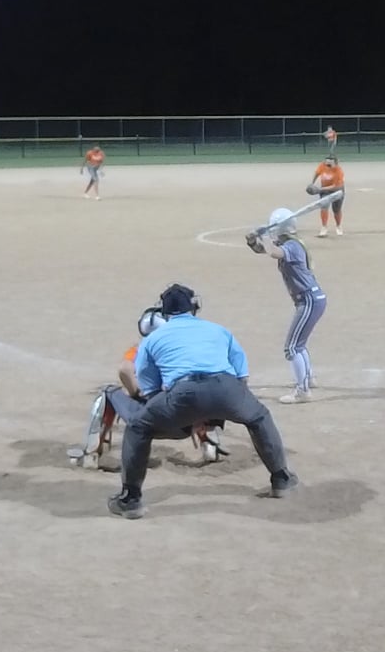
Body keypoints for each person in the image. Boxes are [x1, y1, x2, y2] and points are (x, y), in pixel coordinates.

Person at [108, 284, 299, 519]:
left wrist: (187, 415)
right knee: (258, 417)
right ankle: (281, 478)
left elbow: (151, 391)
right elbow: (242, 377)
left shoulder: (152, 339)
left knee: (138, 427)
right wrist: (223, 408)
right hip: (226, 387)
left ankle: (130, 499)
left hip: (183, 392)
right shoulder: (218, 330)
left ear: (164, 312)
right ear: (194, 307)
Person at [75, 305, 228, 468]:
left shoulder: (139, 349)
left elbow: (124, 370)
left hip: (147, 421)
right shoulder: (184, 351)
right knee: (205, 388)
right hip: (184, 425)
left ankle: (91, 453)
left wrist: (135, 391)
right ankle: (209, 444)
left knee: (108, 393)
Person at [245, 208, 328, 403]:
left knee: (292, 348)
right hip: (309, 299)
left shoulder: (292, 246)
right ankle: (307, 378)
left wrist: (264, 235)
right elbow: (264, 250)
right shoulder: (289, 243)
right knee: (298, 344)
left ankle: (303, 391)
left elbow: (274, 253)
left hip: (309, 300)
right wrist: (252, 241)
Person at [309, 155, 347, 236]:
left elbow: (335, 186)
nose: (327, 166)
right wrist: (312, 183)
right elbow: (316, 173)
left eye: (330, 164)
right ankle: (324, 227)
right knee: (324, 206)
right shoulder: (323, 165)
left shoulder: (339, 171)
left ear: (335, 163)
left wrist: (319, 190)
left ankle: (338, 226)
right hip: (325, 190)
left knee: (336, 210)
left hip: (337, 191)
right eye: (326, 163)